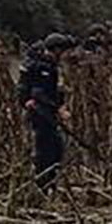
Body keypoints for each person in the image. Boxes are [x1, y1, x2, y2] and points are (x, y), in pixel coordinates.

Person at [17, 33, 70, 189]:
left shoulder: (50, 65)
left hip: (47, 114)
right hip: (40, 115)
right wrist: (58, 108)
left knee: (56, 151)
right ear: (57, 50)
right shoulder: (43, 68)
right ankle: (43, 187)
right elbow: (38, 94)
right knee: (47, 153)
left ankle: (50, 185)